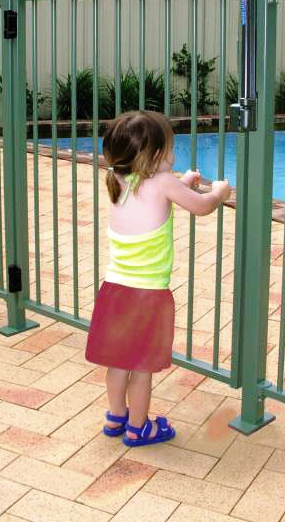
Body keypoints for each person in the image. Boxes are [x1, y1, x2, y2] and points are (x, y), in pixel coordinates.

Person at [85, 110, 231, 447]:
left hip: (115, 291)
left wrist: (182, 182)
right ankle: (139, 428)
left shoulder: (120, 180)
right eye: (169, 150)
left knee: (119, 362)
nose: (174, 156)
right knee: (141, 367)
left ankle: (116, 416)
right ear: (153, 157)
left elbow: (153, 196)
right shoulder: (161, 183)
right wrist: (218, 193)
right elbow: (201, 207)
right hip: (146, 296)